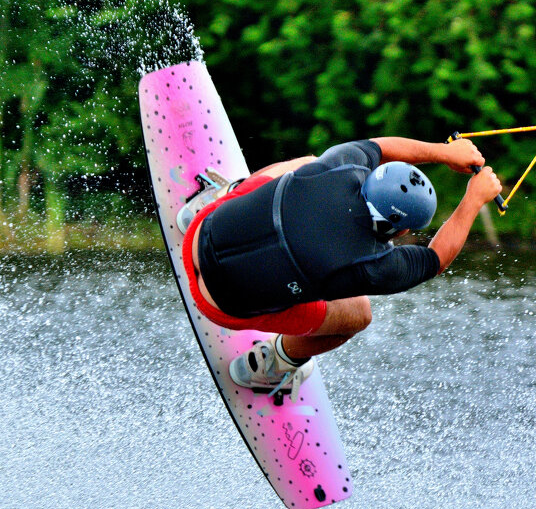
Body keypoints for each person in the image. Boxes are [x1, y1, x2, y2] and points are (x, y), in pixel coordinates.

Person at [179, 137, 503, 400]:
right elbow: (437, 259)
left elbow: (379, 146)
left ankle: (210, 197)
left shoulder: (338, 165)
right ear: (402, 231)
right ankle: (271, 365)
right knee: (358, 315)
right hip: (218, 305)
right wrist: (472, 201)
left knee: (303, 164)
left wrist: (443, 152)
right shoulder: (373, 265)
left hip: (197, 233)